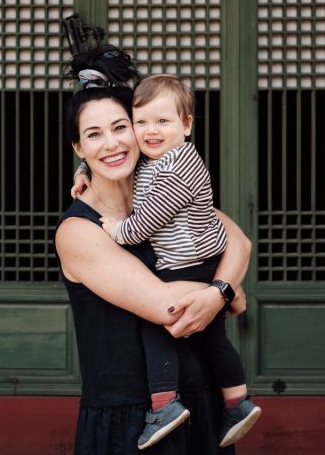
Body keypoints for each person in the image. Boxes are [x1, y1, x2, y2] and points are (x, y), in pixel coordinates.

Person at [56, 47, 252, 455]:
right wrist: (225, 289)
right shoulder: (78, 231)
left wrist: (219, 290)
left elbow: (238, 241)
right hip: (129, 417)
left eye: (121, 127)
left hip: (198, 401)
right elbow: (167, 307)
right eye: (94, 134)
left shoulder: (166, 194)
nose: (112, 143)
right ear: (78, 148)